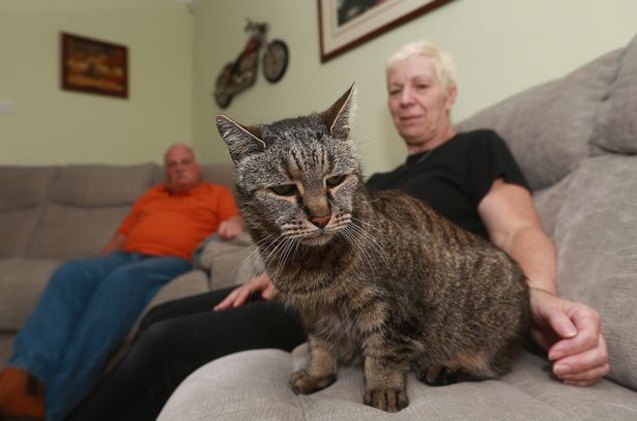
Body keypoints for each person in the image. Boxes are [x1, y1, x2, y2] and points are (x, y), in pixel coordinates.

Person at [64, 41, 609, 421]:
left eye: (421, 85)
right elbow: (311, 212)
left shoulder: (475, 147)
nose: (406, 99)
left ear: (450, 93)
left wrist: (540, 296)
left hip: (410, 292)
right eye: (394, 89)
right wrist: (273, 269)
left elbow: (516, 232)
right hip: (312, 283)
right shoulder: (358, 168)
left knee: (165, 341)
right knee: (159, 311)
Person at [0, 144, 243, 421]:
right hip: (125, 256)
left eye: (184, 162)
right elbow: (121, 236)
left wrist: (233, 225)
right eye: (172, 164)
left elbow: (233, 221)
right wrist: (98, 266)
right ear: (166, 171)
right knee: (71, 273)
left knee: (121, 281)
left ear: (196, 166)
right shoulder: (152, 195)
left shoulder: (216, 193)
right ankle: (22, 380)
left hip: (169, 260)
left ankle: (57, 406)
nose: (178, 168)